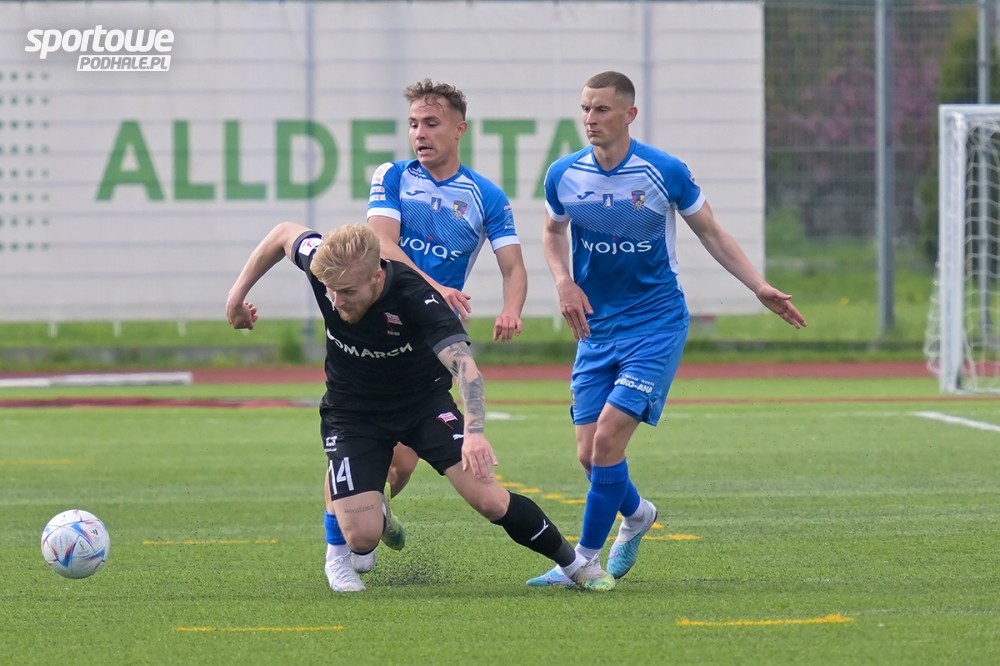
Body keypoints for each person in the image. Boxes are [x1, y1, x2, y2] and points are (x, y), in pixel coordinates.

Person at [526, 71, 807, 590]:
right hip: (596, 328)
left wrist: (758, 287)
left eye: (602, 109)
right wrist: (564, 282)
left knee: (608, 439)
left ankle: (583, 562)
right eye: (585, 108)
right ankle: (638, 515)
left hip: (655, 324)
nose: (590, 118)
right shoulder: (564, 174)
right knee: (589, 456)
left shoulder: (663, 171)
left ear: (629, 114)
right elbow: (551, 232)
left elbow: (711, 232)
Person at [225, 223, 610, 592]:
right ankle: (339, 557)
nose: (336, 301)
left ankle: (576, 565)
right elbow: (282, 233)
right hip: (352, 412)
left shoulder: (417, 298)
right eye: (330, 291)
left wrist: (475, 434)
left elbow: (466, 369)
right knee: (362, 539)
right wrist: (236, 298)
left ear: (377, 276)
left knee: (489, 500)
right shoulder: (326, 263)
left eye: (347, 292)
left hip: (423, 407)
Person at [317, 78, 529, 573]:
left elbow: (514, 266)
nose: (419, 133)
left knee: (400, 464)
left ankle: (374, 510)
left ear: (460, 129)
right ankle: (341, 545)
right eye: (413, 124)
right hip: (375, 323)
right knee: (355, 432)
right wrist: (437, 287)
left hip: (428, 340)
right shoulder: (393, 176)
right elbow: (384, 246)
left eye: (431, 123)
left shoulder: (486, 196)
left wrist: (512, 308)